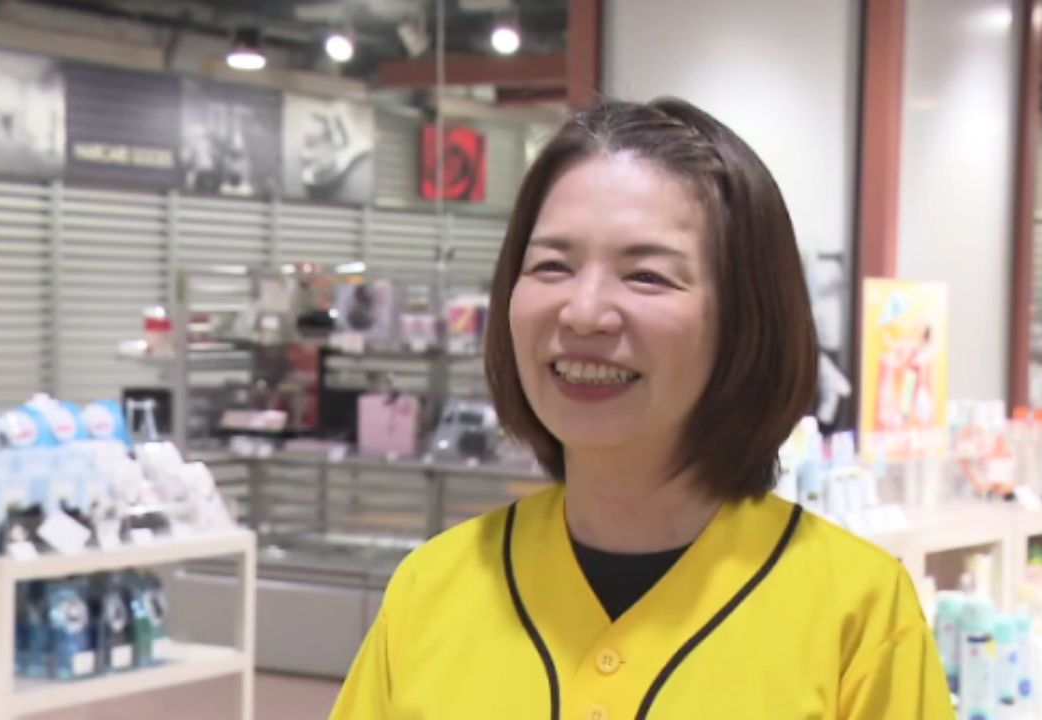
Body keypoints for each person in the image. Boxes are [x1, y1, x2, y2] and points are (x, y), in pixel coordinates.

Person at [329, 97, 953, 719]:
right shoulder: (430, 590)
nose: (583, 313)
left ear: (746, 318)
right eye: (552, 265)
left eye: (647, 276)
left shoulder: (861, 617)